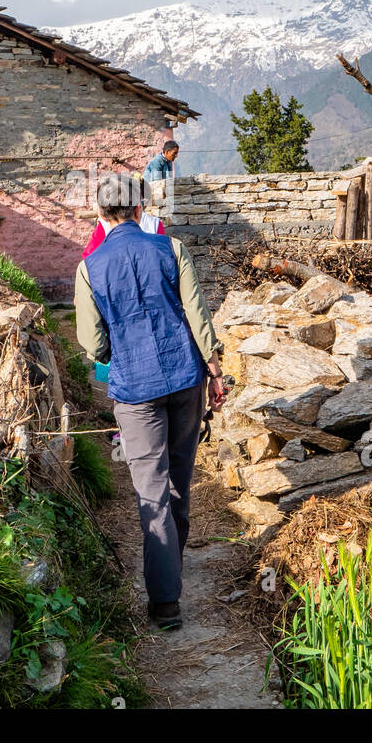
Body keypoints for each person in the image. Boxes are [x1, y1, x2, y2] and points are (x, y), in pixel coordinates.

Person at [74, 173, 225, 631]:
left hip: (136, 392)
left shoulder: (89, 267)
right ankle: (172, 568)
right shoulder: (171, 249)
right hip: (185, 380)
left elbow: (91, 342)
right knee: (181, 474)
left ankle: (165, 603)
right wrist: (215, 374)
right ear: (140, 210)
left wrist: (116, 352)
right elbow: (199, 317)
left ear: (100, 215)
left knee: (151, 492)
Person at [80, 176, 164, 258]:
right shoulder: (155, 224)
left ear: (102, 215)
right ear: (139, 208)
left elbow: (89, 257)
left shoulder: (104, 226)